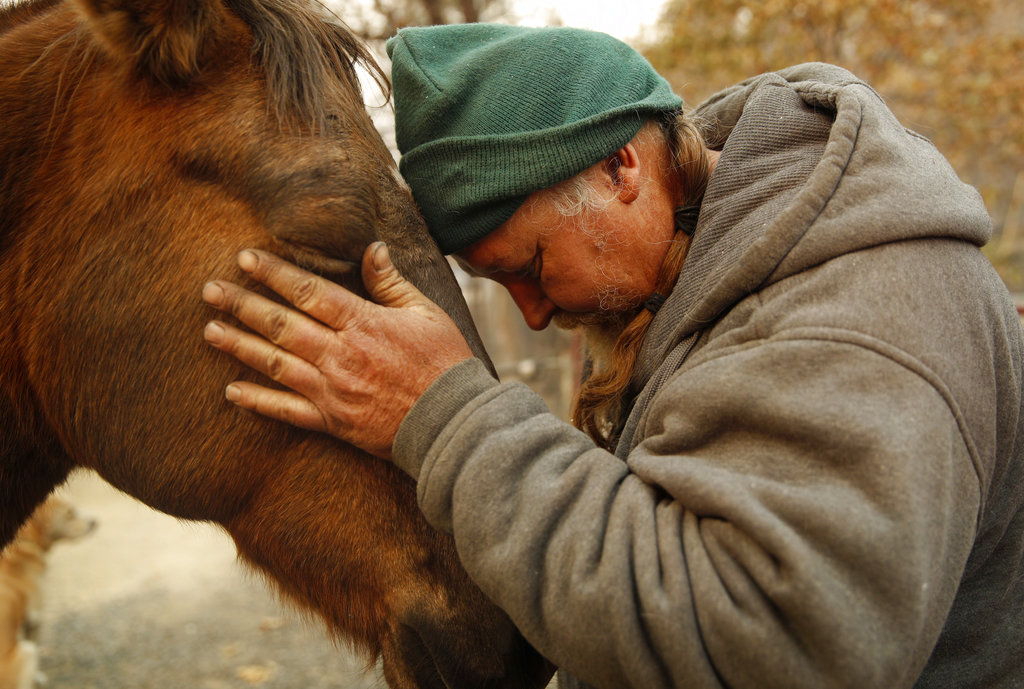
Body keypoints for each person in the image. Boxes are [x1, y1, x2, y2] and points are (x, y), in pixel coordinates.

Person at [199, 23, 1024, 689]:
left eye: (528, 266)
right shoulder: (720, 272)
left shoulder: (862, 307)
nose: (531, 311)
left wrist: (444, 416)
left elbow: (779, 649)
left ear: (620, 165)